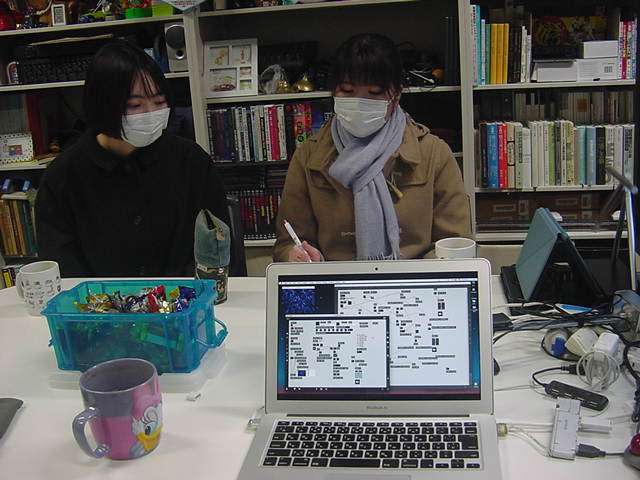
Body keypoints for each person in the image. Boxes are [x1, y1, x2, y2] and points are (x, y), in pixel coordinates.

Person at [35, 40, 230, 277]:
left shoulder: (191, 162)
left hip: (187, 296)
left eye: (159, 102)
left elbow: (219, 249)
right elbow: (61, 267)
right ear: (102, 106)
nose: (151, 114)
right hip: (99, 300)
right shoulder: (63, 177)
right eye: (135, 105)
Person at [273, 33, 472, 263]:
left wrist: (426, 271)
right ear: (334, 92)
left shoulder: (433, 154)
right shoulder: (309, 157)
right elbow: (287, 243)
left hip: (414, 280)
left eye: (375, 93)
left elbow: (455, 242)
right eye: (348, 91)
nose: (359, 102)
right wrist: (296, 256)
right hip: (336, 279)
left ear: (396, 95)